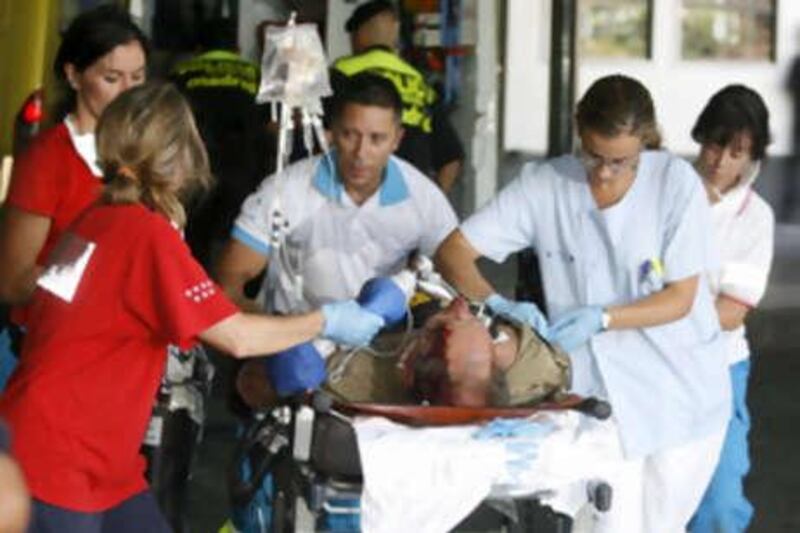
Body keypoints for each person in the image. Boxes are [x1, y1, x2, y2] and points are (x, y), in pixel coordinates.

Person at [0, 82, 384, 533]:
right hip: (61, 460)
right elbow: (235, 336)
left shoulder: (96, 219)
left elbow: (209, 309)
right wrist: (328, 321)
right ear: (181, 157)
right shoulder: (145, 234)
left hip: (91, 457)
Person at [434, 74, 731, 532]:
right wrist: (497, 304)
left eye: (622, 160)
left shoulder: (674, 184)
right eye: (595, 155)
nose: (606, 171)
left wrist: (604, 317)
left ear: (645, 142)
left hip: (681, 394)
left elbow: (680, 298)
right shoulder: (544, 186)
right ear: (578, 128)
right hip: (598, 399)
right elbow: (453, 253)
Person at [216, 72, 457, 315]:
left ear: (397, 139)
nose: (361, 153)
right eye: (349, 135)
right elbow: (228, 286)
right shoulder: (286, 190)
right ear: (331, 132)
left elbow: (456, 277)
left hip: (385, 342)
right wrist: (278, 336)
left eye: (377, 139)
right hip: (295, 338)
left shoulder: (424, 198)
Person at [0, 5, 148, 309]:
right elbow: (13, 282)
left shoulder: (144, 151)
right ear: (74, 76)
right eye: (111, 78)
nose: (127, 92)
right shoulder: (48, 159)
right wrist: (108, 282)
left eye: (137, 77)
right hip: (48, 341)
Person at [687, 85, 775, 533]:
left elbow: (730, 313)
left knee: (719, 502)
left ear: (754, 154)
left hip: (718, 368)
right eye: (715, 144)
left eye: (737, 151)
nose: (721, 161)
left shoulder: (755, 218)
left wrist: (654, 311)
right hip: (647, 364)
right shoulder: (669, 191)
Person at [330, 0, 464, 193]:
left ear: (358, 35)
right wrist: (434, 204)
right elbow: (452, 157)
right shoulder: (420, 83)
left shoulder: (342, 72)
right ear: (394, 32)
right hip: (409, 201)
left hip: (357, 198)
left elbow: (320, 137)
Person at [170, 16, 269, 269]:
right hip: (244, 167)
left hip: (196, 166)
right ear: (236, 48)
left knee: (195, 236)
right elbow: (270, 124)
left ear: (198, 49)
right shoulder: (256, 75)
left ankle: (196, 288)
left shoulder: (182, 73)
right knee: (238, 233)